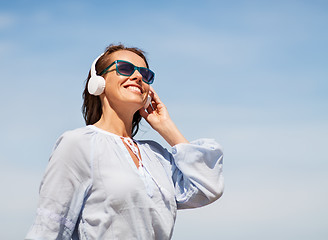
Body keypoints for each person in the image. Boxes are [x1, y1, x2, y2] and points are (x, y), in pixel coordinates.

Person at [25, 44, 224, 240]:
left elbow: (207, 188)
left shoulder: (156, 155)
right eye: (125, 68)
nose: (138, 76)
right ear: (98, 83)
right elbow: (49, 229)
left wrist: (166, 126)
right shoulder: (77, 144)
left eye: (145, 75)